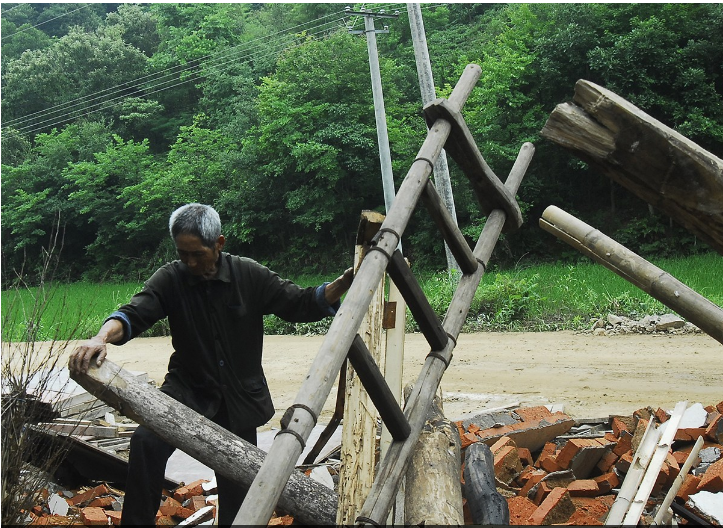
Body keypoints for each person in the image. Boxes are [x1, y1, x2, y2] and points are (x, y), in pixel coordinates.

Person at [69, 203, 353, 525]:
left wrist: (341, 285)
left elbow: (299, 302)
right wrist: (100, 338)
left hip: (240, 398)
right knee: (146, 443)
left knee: (237, 486)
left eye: (198, 254)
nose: (190, 262)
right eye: (182, 254)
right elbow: (134, 312)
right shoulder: (171, 278)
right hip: (187, 390)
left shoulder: (248, 274)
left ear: (219, 244)